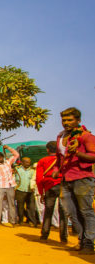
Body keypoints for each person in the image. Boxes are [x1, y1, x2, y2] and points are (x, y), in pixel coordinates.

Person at [55, 107, 95, 254]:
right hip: (66, 178)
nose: (66, 122)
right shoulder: (60, 137)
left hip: (82, 178)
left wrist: (78, 153)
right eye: (64, 120)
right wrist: (56, 170)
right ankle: (82, 239)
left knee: (86, 211)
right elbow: (59, 157)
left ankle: (89, 243)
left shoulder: (85, 136)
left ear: (78, 120)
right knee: (71, 211)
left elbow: (94, 156)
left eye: (70, 120)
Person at [37, 141, 68, 243]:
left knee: (48, 211)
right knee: (63, 212)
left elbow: (39, 179)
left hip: (50, 186)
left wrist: (41, 193)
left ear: (48, 150)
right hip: (63, 186)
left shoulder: (42, 161)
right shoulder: (64, 160)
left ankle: (44, 235)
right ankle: (63, 238)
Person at [0, 145, 19, 227]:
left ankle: (13, 221)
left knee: (12, 203)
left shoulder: (8, 162)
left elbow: (16, 155)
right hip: (0, 186)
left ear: (2, 157)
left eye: (1, 157)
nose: (0, 159)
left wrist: (9, 148)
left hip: (10, 185)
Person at [14, 157, 38, 227]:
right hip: (20, 190)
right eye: (26, 162)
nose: (28, 163)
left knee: (31, 207)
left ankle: (32, 221)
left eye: (29, 162)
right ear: (22, 162)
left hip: (30, 191)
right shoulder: (17, 170)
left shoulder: (33, 171)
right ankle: (20, 221)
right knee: (20, 207)